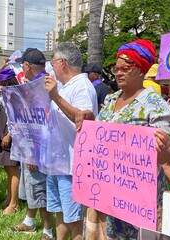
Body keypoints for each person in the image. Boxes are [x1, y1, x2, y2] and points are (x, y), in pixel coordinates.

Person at [82, 39, 170, 239]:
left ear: (141, 70)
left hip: (136, 202)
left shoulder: (156, 106)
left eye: (125, 68)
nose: (118, 72)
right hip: (106, 192)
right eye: (116, 68)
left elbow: (165, 155)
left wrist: (166, 149)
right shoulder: (110, 100)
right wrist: (91, 124)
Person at [44, 42, 98, 240]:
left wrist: (55, 97)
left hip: (73, 166)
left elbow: (83, 119)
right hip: (57, 164)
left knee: (74, 220)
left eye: (53, 62)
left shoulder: (82, 87)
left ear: (62, 63)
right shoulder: (64, 87)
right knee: (60, 214)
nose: (51, 67)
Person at [11, 48, 54, 240]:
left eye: (23, 65)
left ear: (27, 66)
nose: (21, 68)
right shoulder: (43, 82)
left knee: (39, 187)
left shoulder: (41, 86)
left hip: (38, 148)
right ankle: (29, 220)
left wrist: (32, 153)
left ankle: (48, 230)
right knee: (30, 185)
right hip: (32, 145)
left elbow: (39, 125)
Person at [0, 66, 20, 215]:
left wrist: (9, 134)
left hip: (10, 134)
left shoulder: (15, 95)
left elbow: (17, 118)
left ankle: (14, 203)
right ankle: (9, 197)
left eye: (2, 83)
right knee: (7, 168)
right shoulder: (3, 94)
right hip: (1, 130)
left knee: (12, 169)